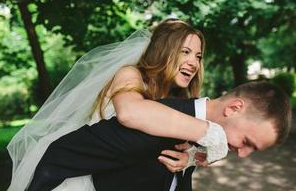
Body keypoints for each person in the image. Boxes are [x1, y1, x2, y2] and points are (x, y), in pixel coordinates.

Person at [8, 18, 223, 191]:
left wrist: (189, 158)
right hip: (90, 177)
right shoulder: (131, 75)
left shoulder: (177, 99)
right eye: (185, 52)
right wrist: (210, 132)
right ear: (164, 50)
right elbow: (130, 113)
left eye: (198, 56)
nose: (194, 63)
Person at [27, 81, 292, 191]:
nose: (243, 154)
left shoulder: (203, 136)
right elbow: (61, 156)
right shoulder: (154, 118)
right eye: (247, 142)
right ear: (234, 108)